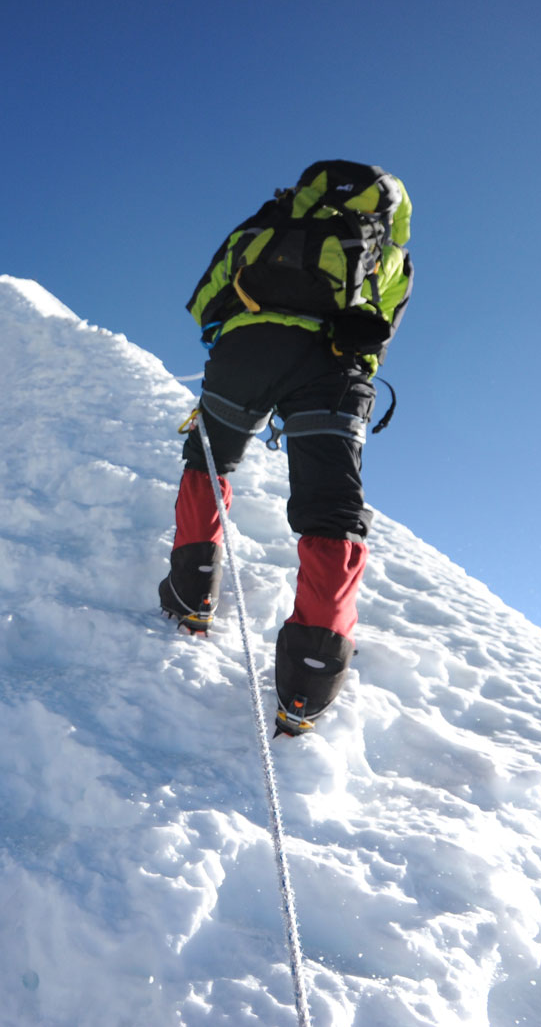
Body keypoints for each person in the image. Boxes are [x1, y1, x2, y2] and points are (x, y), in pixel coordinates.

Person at [158, 160, 413, 736]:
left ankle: (191, 594)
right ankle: (308, 684)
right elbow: (383, 329)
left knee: (208, 460)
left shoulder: (266, 224)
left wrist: (238, 330)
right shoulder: (389, 252)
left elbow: (206, 299)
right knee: (331, 509)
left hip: (246, 352)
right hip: (332, 366)